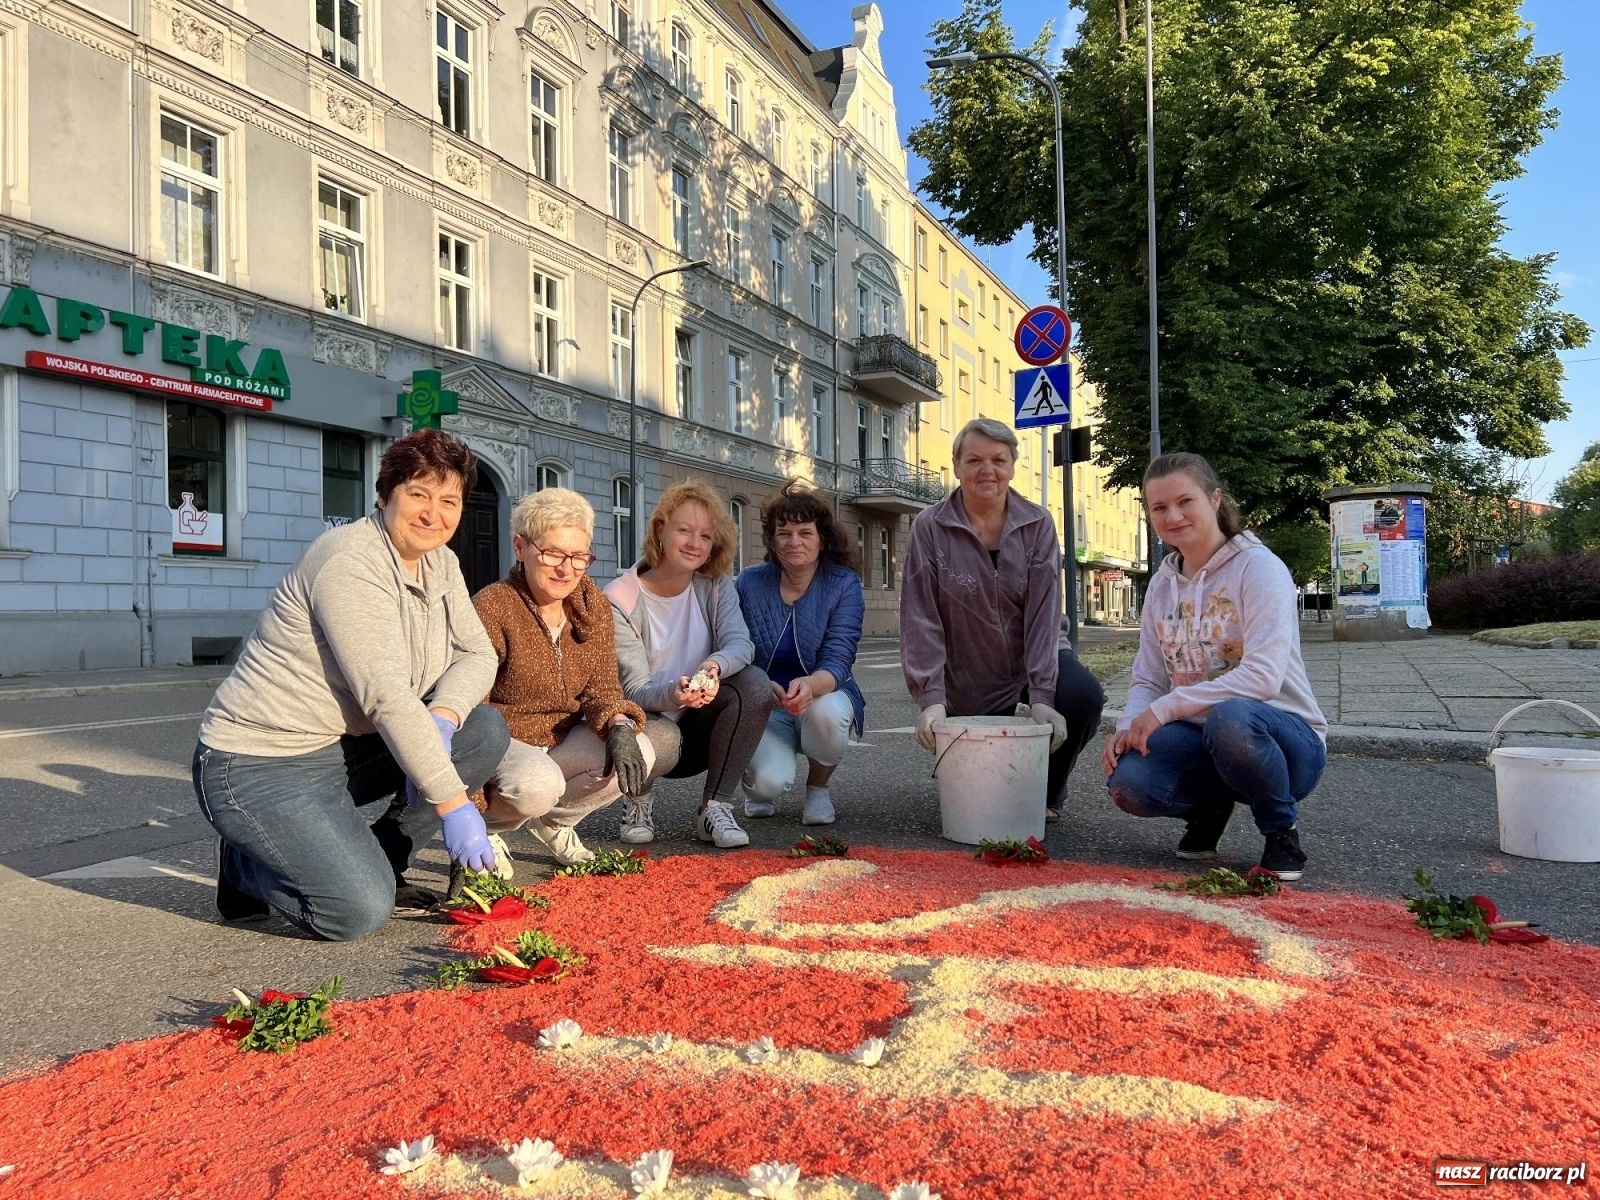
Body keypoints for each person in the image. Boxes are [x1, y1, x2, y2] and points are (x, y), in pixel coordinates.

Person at [192, 429, 510, 941]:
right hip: (258, 762)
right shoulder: (350, 561)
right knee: (356, 912)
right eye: (418, 494)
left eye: (449, 500)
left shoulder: (440, 561)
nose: (433, 513)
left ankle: (382, 856)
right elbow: (385, 696)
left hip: (340, 748)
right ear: (385, 495)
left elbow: (478, 653)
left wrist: (444, 716)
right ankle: (247, 863)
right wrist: (453, 805)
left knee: (483, 729)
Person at [1101, 452, 1327, 880]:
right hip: (1204, 738)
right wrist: (1128, 727)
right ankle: (1210, 808)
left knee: (1232, 717)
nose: (1174, 515)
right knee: (1130, 786)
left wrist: (1168, 708)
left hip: (1284, 742)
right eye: (1160, 507)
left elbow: (1262, 676)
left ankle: (1281, 831)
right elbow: (1148, 676)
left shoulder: (1259, 568)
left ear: (1215, 498)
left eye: (1185, 501)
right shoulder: (1162, 585)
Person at [901, 417, 1106, 820]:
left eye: (999, 459)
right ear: (957, 466)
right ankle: (978, 771)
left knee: (1082, 697)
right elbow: (920, 615)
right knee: (980, 795)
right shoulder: (930, 526)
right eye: (974, 459)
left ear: (1013, 466)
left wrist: (1043, 696)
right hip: (967, 669)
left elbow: (1045, 613)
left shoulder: (1037, 523)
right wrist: (932, 698)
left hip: (1035, 652)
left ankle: (1046, 792)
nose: (987, 470)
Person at [471, 488, 654, 869]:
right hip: (506, 742)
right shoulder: (493, 606)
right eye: (552, 553)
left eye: (578, 557)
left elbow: (603, 688)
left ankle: (554, 824)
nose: (566, 569)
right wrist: (469, 804)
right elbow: (472, 713)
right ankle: (487, 828)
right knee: (538, 784)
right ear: (521, 548)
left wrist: (619, 725)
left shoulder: (593, 604)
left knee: (642, 750)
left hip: (559, 739)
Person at [604, 480, 773, 849]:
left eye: (706, 535)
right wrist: (675, 695)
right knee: (661, 734)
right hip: (651, 726)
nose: (695, 543)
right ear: (660, 530)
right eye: (684, 530)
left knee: (755, 685)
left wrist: (714, 666)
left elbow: (740, 644)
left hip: (702, 728)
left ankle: (714, 809)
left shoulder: (715, 585)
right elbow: (632, 691)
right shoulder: (619, 598)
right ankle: (638, 802)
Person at [735, 480, 866, 826]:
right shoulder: (749, 582)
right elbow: (736, 647)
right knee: (767, 787)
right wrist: (761, 685)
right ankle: (759, 784)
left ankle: (818, 788)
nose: (794, 542)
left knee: (829, 713)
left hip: (821, 693)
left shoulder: (843, 583)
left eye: (805, 532)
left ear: (822, 539)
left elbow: (840, 657)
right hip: (766, 700)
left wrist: (809, 686)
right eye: (784, 533)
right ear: (772, 540)